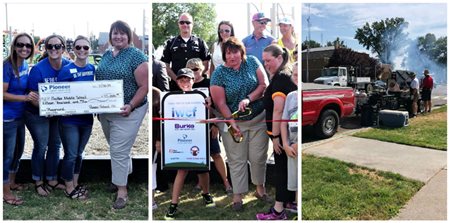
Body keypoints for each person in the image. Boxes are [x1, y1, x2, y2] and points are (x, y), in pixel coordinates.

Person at [210, 37, 270, 211]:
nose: (231, 56)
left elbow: (263, 84)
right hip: (233, 122)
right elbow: (220, 103)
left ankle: (260, 189)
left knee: (258, 157)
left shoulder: (252, 61)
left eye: (235, 52)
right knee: (237, 160)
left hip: (258, 118)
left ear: (242, 52)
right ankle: (238, 195)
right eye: (228, 53)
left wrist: (248, 98)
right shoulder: (219, 73)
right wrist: (231, 122)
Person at [95, 20, 149, 209]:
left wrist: (131, 105)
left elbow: (144, 86)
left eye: (122, 33)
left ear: (129, 36)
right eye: (114, 33)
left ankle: (121, 190)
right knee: (117, 147)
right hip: (107, 111)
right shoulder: (107, 55)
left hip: (129, 110)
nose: (118, 37)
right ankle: (123, 175)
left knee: (117, 149)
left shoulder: (136, 55)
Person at [165, 68, 215, 220]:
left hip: (199, 137)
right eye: (181, 80)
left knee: (203, 169)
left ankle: (206, 194)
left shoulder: (202, 96)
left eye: (188, 80)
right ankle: (173, 204)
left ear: (194, 80)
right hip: (180, 138)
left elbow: (212, 114)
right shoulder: (171, 98)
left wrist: (212, 116)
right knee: (181, 170)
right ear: (177, 81)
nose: (185, 83)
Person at [26, 34, 70, 197]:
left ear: (63, 49)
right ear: (45, 49)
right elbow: (32, 97)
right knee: (41, 145)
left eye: (57, 46)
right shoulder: (38, 69)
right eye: (50, 46)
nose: (53, 49)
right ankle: (38, 181)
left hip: (56, 114)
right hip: (37, 113)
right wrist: (48, 109)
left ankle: (51, 179)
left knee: (55, 145)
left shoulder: (68, 65)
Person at [256, 44, 297, 220]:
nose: (266, 64)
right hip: (287, 132)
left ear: (279, 58)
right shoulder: (283, 75)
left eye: (268, 60)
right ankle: (289, 201)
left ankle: (278, 211)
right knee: (287, 169)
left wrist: (276, 137)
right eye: (264, 61)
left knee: (281, 170)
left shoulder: (280, 78)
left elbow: (278, 110)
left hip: (282, 134)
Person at [186, 58, 233, 195]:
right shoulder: (186, 84)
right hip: (193, 127)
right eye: (191, 69)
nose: (194, 72)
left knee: (216, 154)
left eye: (196, 69)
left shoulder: (209, 83)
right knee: (197, 154)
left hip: (209, 124)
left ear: (202, 70)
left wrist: (215, 125)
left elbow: (216, 105)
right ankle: (201, 183)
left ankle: (226, 182)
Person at [57, 35, 95, 200]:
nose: (81, 50)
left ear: (89, 50)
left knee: (79, 153)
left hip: (86, 120)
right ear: (73, 50)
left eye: (85, 47)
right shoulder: (66, 70)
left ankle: (75, 182)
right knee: (71, 153)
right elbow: (58, 95)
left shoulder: (93, 69)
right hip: (69, 120)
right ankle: (69, 187)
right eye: (78, 47)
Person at [3, 33, 37, 205]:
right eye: (20, 44)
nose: (24, 48)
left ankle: (12, 182)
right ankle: (5, 191)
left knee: (18, 151)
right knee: (6, 155)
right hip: (7, 118)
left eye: (28, 45)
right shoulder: (6, 67)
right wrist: (25, 98)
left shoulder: (25, 64)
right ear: (14, 46)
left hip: (20, 116)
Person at [161, 12, 211, 91]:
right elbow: (165, 66)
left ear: (192, 24)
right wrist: (178, 80)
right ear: (178, 24)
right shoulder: (170, 43)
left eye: (188, 22)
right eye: (182, 22)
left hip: (196, 85)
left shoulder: (200, 42)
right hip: (176, 85)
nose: (185, 25)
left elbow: (206, 64)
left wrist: (194, 78)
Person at [281, 62, 298, 219]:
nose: (297, 78)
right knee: (293, 178)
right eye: (295, 75)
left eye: (300, 76)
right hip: (291, 144)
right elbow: (283, 122)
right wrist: (285, 143)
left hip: (299, 144)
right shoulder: (291, 97)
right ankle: (296, 204)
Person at [152, 86, 162, 210]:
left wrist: (159, 140)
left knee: (152, 168)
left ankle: (152, 200)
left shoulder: (156, 93)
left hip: (154, 137)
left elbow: (160, 121)